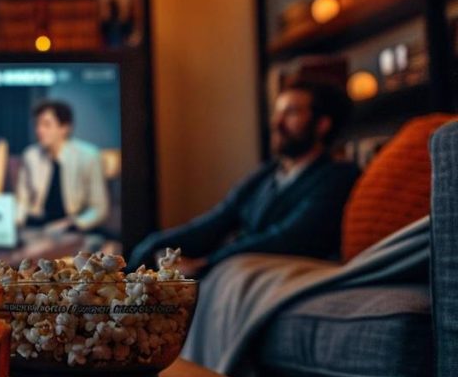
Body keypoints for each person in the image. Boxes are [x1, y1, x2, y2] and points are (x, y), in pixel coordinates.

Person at [128, 78, 361, 276]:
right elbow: (216, 222)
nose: (276, 123)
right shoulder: (265, 175)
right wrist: (152, 246)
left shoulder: (338, 177)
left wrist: (206, 263)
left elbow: (287, 238)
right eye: (277, 112)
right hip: (235, 265)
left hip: (277, 271)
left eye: (291, 113)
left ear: (322, 125)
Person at [16, 100, 109, 232]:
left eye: (46, 125)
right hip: (38, 224)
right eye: (37, 124)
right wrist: (16, 223)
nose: (39, 130)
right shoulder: (30, 155)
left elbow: (99, 209)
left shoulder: (88, 156)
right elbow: (22, 200)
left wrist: (73, 224)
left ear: (65, 128)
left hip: (74, 224)